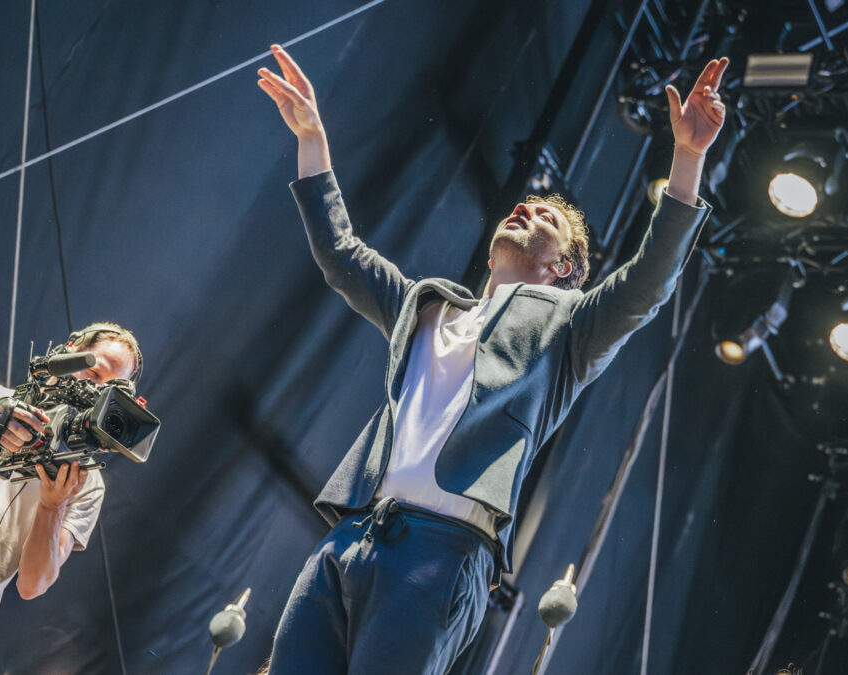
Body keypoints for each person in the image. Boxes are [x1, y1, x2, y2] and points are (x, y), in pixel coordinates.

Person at [258, 44, 728, 674]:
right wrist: (313, 141)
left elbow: (648, 282)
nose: (525, 207)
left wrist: (688, 157)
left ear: (563, 267)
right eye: (523, 205)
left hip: (441, 552)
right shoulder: (425, 306)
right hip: (351, 535)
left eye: (545, 217)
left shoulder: (570, 328)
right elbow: (342, 253)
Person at [0, 322, 141, 605]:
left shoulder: (85, 481)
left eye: (109, 389)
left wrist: (52, 506)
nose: (95, 391)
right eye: (93, 372)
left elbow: (32, 585)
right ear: (68, 353)